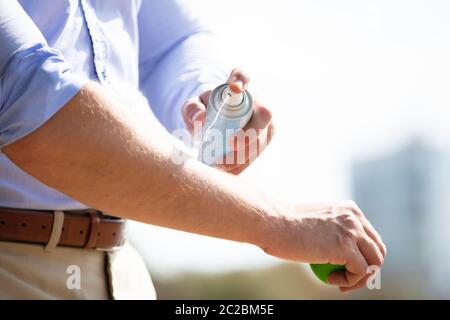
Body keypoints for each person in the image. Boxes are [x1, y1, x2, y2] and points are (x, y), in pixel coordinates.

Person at [0, 0, 386, 299]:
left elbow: (172, 41)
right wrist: (279, 222)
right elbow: (33, 103)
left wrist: (208, 99)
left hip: (120, 266)